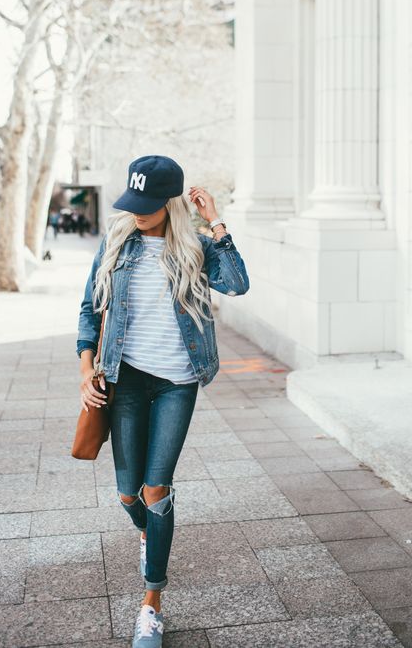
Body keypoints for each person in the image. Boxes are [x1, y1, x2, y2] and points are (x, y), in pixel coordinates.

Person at [76, 155, 249, 647]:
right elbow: (88, 310)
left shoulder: (193, 246)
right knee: (128, 494)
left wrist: (214, 220)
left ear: (170, 202)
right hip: (125, 382)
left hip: (177, 382)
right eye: (134, 202)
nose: (138, 212)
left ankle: (151, 603)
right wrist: (87, 369)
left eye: (149, 205)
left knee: (157, 488)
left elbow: (236, 282)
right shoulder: (117, 241)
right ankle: (149, 533)